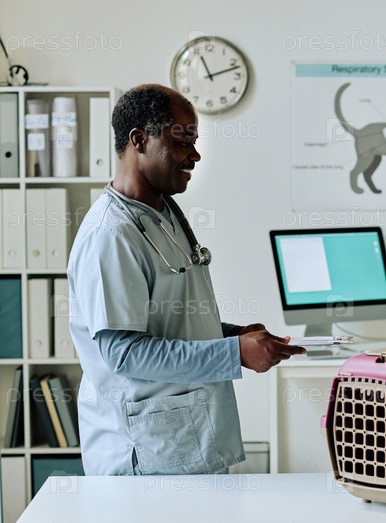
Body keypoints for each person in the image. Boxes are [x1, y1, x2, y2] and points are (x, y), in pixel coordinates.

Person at [68, 84, 305, 476]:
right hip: (146, 453)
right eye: (183, 142)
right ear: (139, 140)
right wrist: (234, 353)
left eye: (195, 142)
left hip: (184, 439)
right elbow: (125, 354)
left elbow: (169, 319)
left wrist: (234, 335)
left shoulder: (163, 213)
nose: (195, 155)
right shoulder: (111, 235)